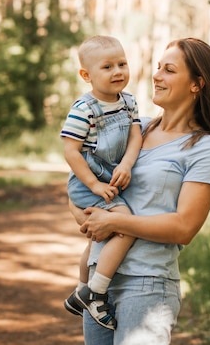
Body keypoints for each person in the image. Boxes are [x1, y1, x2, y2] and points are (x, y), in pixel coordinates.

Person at [69, 37, 210, 344]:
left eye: (169, 70)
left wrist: (114, 222)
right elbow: (85, 168)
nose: (156, 75)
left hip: (147, 285)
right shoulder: (137, 128)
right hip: (98, 284)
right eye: (158, 67)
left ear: (196, 84)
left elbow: (184, 228)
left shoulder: (205, 149)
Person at [60, 35, 142, 330]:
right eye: (107, 67)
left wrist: (127, 163)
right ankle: (95, 292)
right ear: (87, 75)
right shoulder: (84, 109)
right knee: (124, 224)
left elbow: (135, 135)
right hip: (88, 183)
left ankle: (80, 288)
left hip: (111, 177)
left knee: (101, 240)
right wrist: (94, 185)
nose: (118, 71)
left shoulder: (128, 101)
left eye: (122, 63)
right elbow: (71, 151)